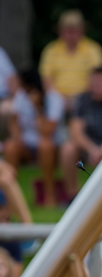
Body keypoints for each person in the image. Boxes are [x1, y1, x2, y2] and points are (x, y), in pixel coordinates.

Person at [60, 66, 102, 198]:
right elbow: (76, 131)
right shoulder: (81, 100)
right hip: (87, 146)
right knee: (67, 149)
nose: (99, 86)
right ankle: (72, 196)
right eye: (95, 82)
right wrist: (92, 150)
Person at [3, 69, 64, 206]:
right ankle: (9, 198)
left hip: (52, 148)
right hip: (28, 146)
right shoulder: (21, 96)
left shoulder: (54, 98)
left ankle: (50, 195)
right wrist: (17, 137)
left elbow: (47, 131)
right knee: (10, 146)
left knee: (45, 145)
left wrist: (38, 108)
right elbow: (14, 122)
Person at [38, 10, 102, 105]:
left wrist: (81, 97)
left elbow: (98, 78)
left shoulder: (93, 49)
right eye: (68, 31)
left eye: (74, 31)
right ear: (60, 31)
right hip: (58, 97)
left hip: (87, 96)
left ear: (82, 30)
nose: (71, 35)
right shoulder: (51, 50)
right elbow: (46, 80)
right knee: (52, 99)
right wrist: (62, 98)